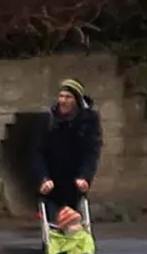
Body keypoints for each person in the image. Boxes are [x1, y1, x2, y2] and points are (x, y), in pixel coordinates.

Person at [32, 78, 101, 215]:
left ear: (77, 100)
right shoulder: (48, 120)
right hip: (52, 179)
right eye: (61, 96)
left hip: (75, 179)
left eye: (68, 97)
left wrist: (85, 176)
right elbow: (37, 152)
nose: (63, 101)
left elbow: (91, 152)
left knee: (73, 220)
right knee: (52, 218)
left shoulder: (88, 120)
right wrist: (43, 178)